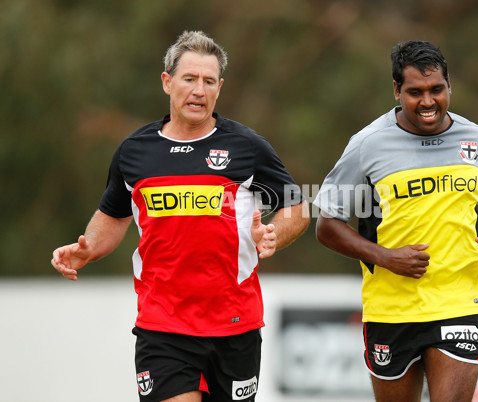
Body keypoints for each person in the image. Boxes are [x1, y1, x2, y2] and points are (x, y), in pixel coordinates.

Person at [51, 31, 310, 402]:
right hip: (163, 325)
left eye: (208, 81)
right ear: (167, 82)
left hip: (234, 323)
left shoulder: (246, 147)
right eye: (189, 79)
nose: (199, 91)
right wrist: (87, 248)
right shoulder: (135, 151)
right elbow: (112, 216)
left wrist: (274, 233)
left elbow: (297, 207)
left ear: (219, 88)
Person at [313, 40, 478, 402]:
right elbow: (327, 226)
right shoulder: (367, 145)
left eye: (436, 89)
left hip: (459, 301)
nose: (427, 102)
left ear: (449, 86)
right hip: (391, 308)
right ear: (396, 91)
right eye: (415, 92)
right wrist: (385, 257)